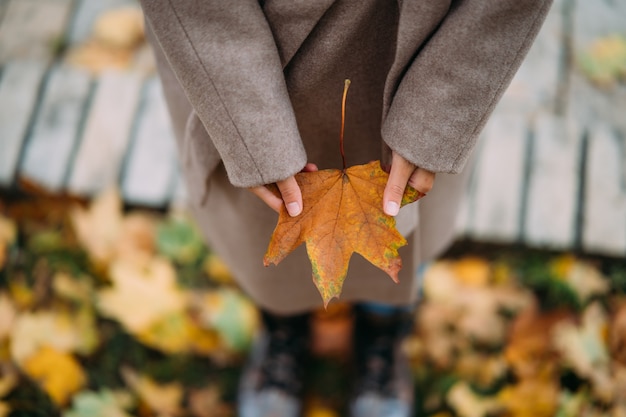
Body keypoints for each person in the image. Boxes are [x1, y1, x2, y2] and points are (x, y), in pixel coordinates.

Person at [139, 1, 553, 415]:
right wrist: (252, 134)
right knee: (270, 226)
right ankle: (283, 328)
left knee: (401, 229)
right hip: (252, 59)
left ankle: (382, 333)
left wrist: (435, 122)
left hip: (421, 55)